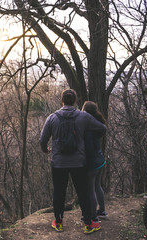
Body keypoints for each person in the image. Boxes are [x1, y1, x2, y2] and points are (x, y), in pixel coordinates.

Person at [39, 89, 106, 234]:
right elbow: (102, 128)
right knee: (83, 193)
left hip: (58, 163)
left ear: (62, 101)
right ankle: (88, 224)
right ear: (75, 101)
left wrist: (46, 150)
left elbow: (42, 140)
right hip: (78, 162)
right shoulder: (84, 117)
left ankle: (58, 222)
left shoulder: (52, 118)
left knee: (59, 193)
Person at [82, 101, 108, 221]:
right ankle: (102, 210)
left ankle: (93, 216)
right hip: (100, 160)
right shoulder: (98, 124)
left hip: (92, 163)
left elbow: (89, 148)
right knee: (98, 186)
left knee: (90, 189)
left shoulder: (87, 128)